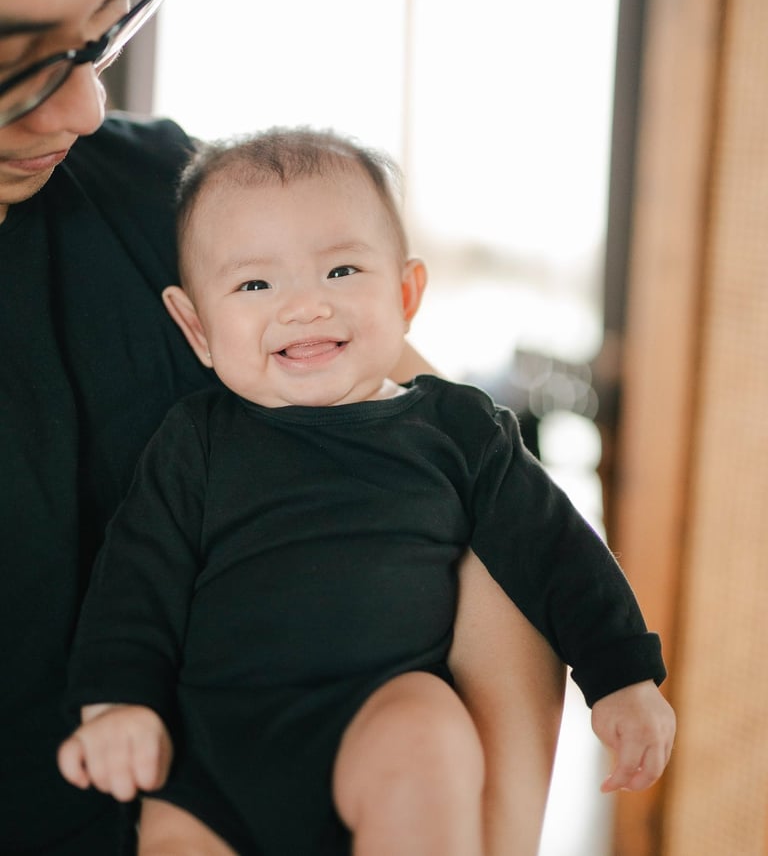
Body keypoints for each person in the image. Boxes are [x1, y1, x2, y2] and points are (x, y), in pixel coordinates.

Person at [0, 0, 584, 853]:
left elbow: (483, 485)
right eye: (18, 64)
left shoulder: (154, 200)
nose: (84, 107)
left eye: (107, 18)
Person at [57, 128, 675, 856]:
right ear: (196, 327)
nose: (305, 307)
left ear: (407, 292)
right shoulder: (195, 439)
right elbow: (136, 580)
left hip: (381, 712)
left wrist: (623, 676)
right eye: (256, 284)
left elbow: (559, 551)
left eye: (342, 271)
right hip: (214, 752)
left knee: (431, 734)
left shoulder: (457, 428)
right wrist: (116, 703)